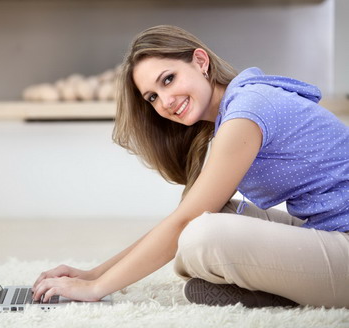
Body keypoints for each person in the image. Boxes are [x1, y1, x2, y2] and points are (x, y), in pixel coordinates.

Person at [32, 25, 349, 308]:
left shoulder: (247, 111)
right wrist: (92, 273)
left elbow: (185, 223)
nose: (165, 101)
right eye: (152, 97)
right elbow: (183, 218)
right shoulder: (234, 109)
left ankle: (284, 293)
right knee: (213, 218)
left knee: (201, 235)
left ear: (200, 61)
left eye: (168, 80)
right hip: (325, 231)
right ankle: (288, 289)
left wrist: (95, 288)